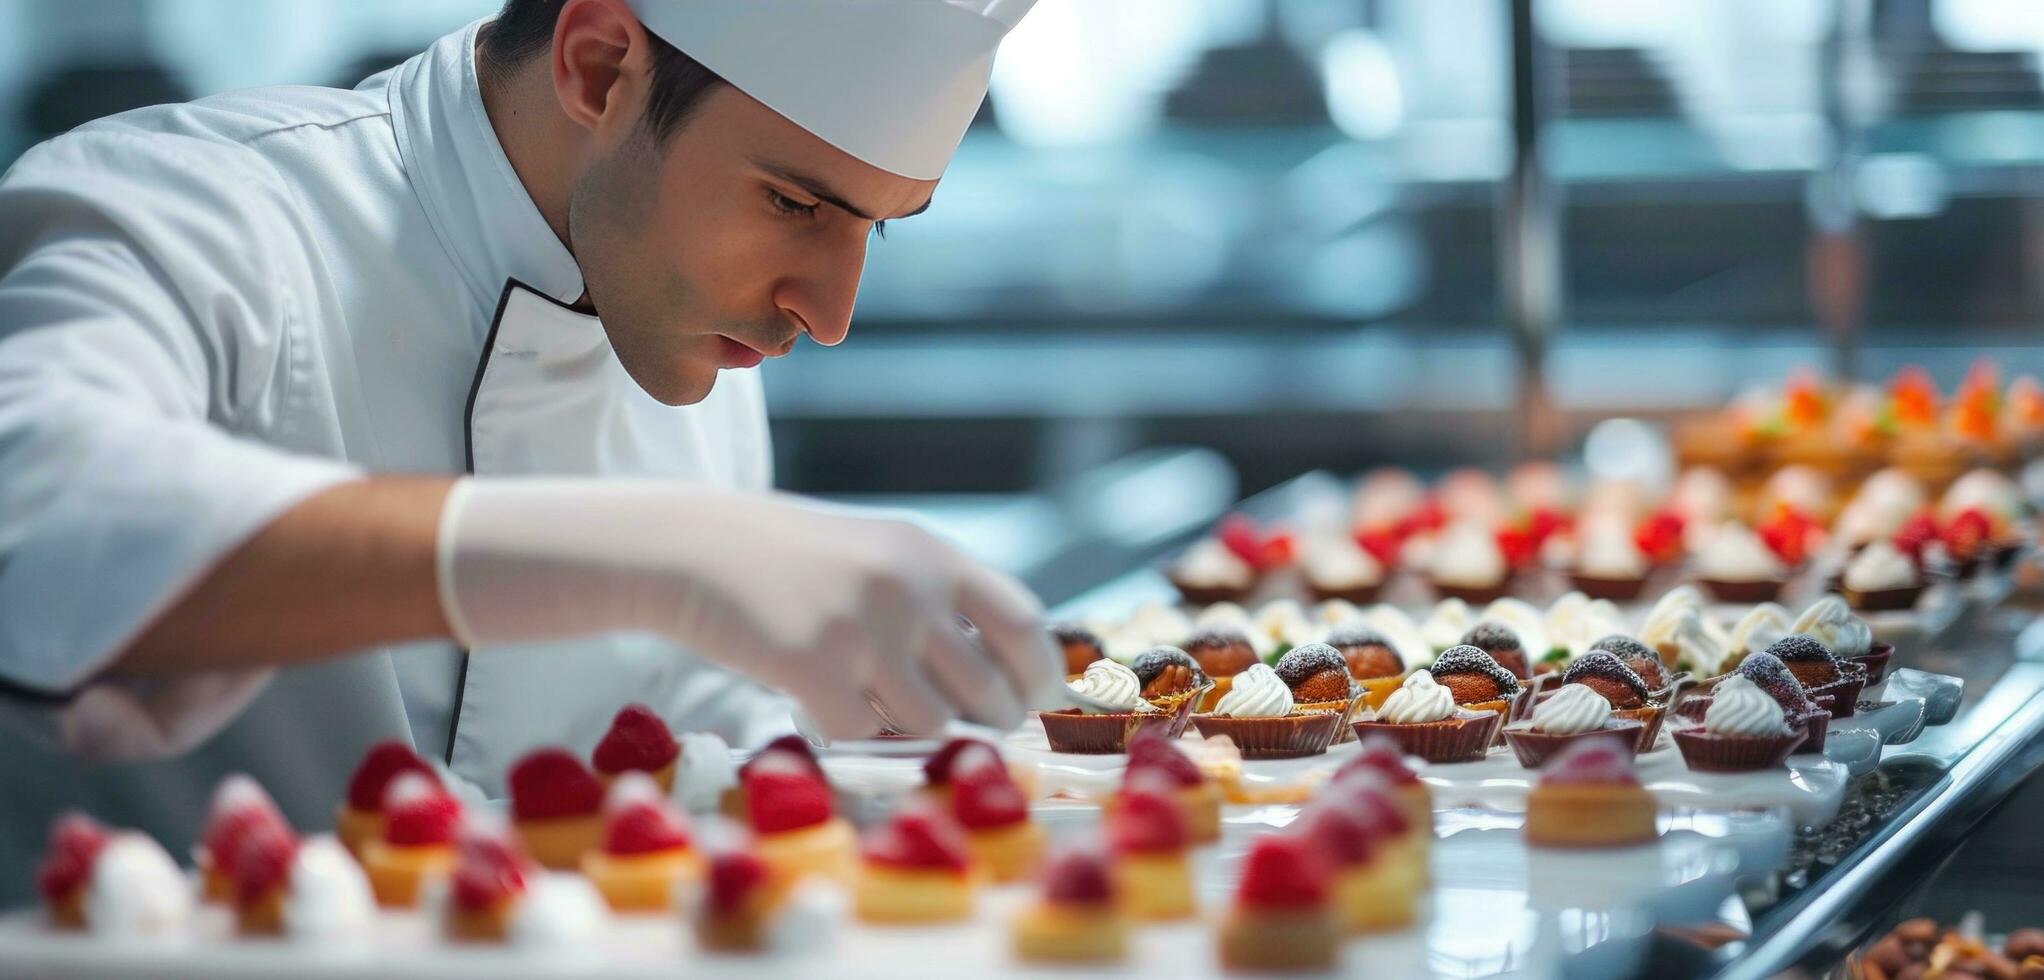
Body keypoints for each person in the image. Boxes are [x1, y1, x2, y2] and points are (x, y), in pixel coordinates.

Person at [0, 0, 1051, 898]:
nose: (826, 313)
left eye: (884, 226)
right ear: (598, 67)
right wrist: (656, 555)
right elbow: (38, 520)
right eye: (792, 202)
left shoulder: (691, 325)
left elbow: (691, 746)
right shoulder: (195, 209)